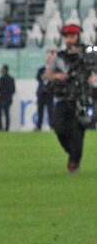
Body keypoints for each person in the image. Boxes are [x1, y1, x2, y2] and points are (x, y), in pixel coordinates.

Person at [47, 24, 89, 173]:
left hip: (81, 99)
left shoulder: (88, 52)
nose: (69, 40)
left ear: (78, 37)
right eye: (66, 37)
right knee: (60, 129)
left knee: (77, 131)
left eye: (72, 36)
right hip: (62, 98)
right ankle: (73, 155)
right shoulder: (59, 56)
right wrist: (56, 75)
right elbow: (47, 74)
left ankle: (74, 162)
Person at [35, 50, 56, 131]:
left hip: (50, 92)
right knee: (40, 110)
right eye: (47, 57)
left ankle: (52, 125)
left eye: (50, 57)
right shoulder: (41, 69)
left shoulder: (55, 70)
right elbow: (38, 78)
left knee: (51, 110)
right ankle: (38, 126)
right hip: (41, 92)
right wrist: (44, 77)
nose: (48, 59)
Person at [0, 64, 15, 131]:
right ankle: (7, 128)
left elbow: (0, 89)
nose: (0, 70)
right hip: (9, 99)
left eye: (2, 69)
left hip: (2, 99)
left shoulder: (2, 78)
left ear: (5, 70)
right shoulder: (11, 79)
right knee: (7, 114)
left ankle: (0, 128)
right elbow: (13, 90)